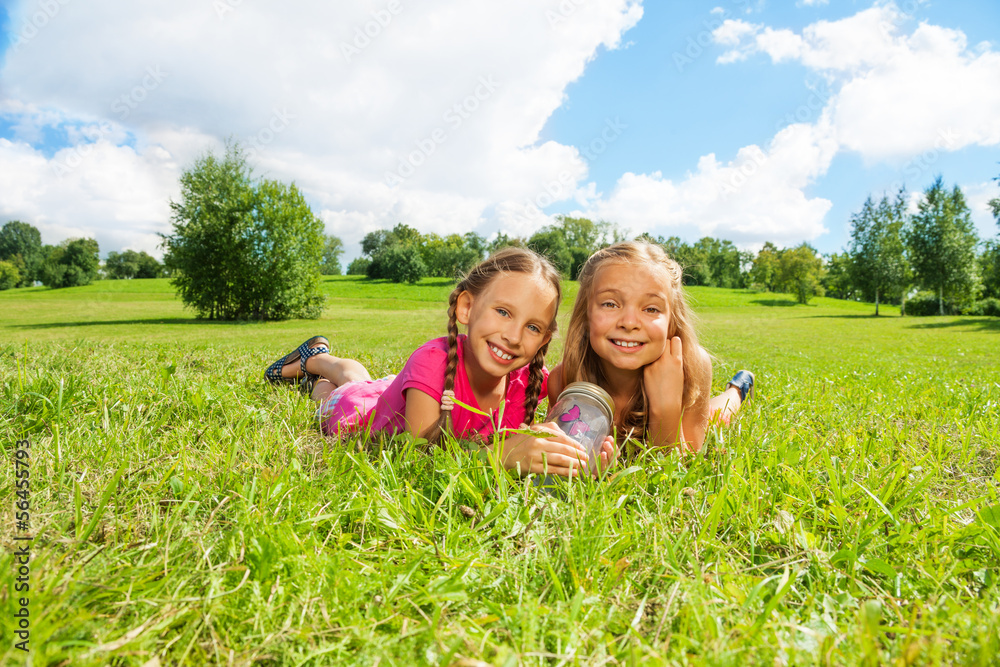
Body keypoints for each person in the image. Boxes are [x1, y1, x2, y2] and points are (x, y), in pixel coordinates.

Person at [264, 247, 608, 477]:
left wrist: (579, 453)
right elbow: (416, 461)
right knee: (343, 391)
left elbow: (578, 388)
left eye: (532, 327)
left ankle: (321, 362)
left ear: (545, 339)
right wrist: (499, 456)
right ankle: (317, 362)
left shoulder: (528, 380)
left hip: (404, 395)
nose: (514, 336)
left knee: (365, 382)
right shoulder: (434, 362)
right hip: (362, 415)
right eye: (503, 312)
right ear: (466, 308)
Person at [547, 241, 754, 454]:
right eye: (610, 304)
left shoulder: (693, 365)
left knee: (717, 416)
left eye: (651, 309)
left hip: (689, 413)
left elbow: (681, 465)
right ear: (586, 314)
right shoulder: (563, 379)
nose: (629, 322)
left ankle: (738, 389)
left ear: (672, 321)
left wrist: (666, 409)